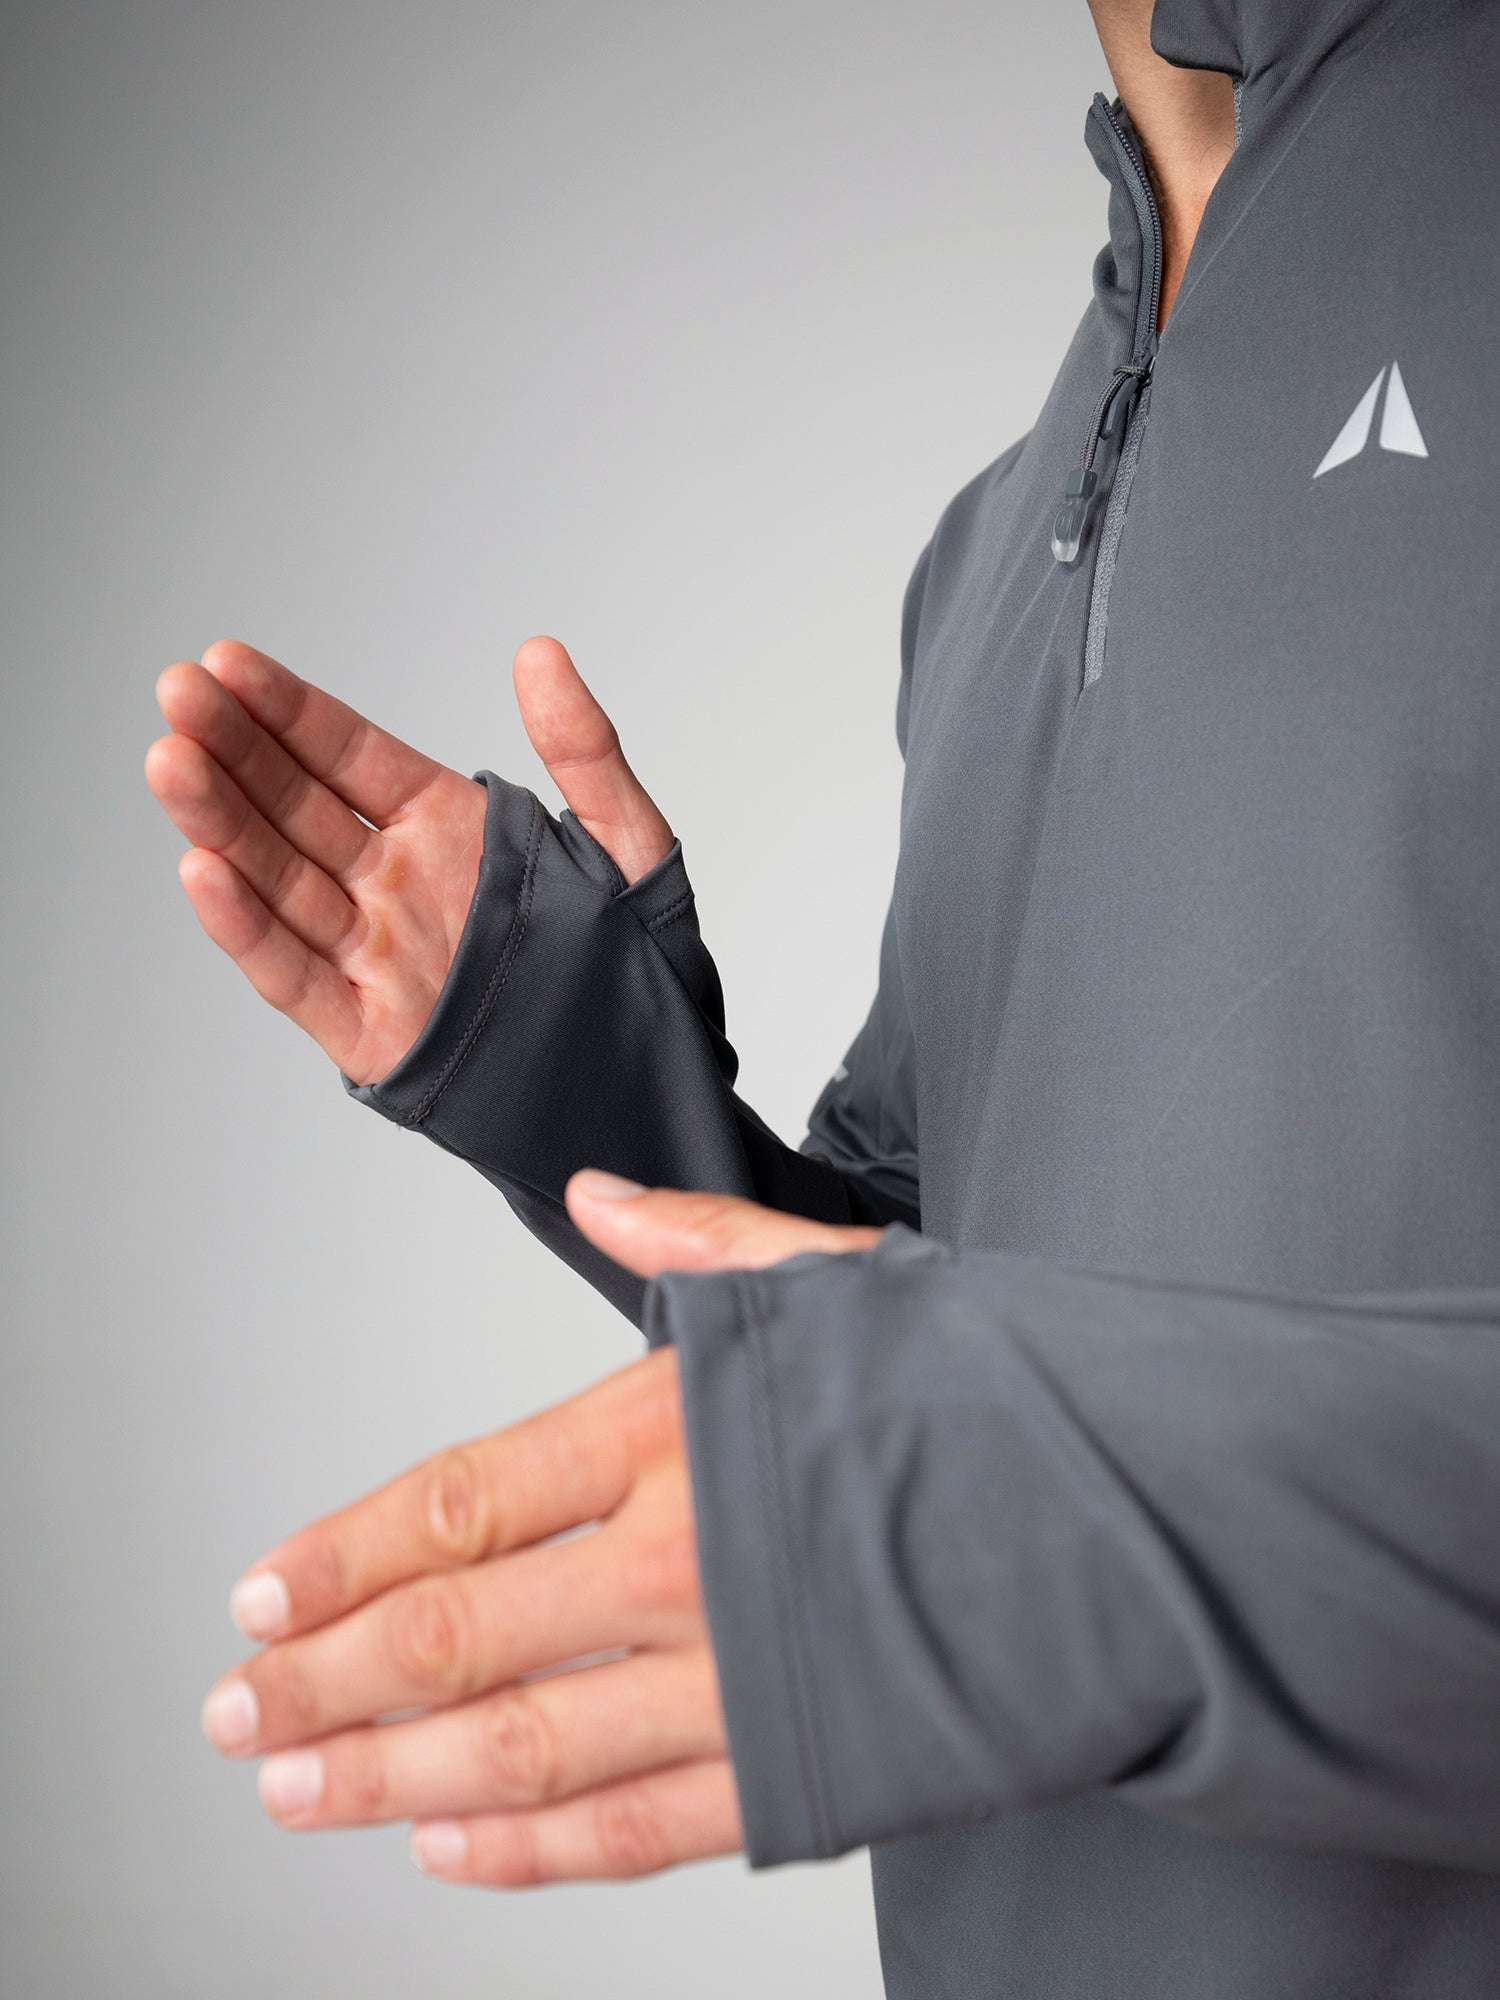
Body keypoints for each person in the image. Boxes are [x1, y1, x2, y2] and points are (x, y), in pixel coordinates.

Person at [144, 0, 1500, 1993]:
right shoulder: (989, 544)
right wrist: (585, 1080)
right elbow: (950, 1303)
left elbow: (1015, 1452)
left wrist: (1061, 1505)